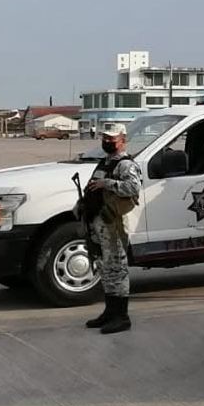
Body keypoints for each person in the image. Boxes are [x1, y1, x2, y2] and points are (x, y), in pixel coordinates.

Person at [82, 126, 142, 334]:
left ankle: (121, 316)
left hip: (113, 224)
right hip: (98, 225)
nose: (107, 141)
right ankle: (110, 311)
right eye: (105, 137)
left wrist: (106, 184)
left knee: (117, 269)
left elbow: (133, 188)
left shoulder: (125, 165)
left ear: (123, 139)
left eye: (112, 138)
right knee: (105, 269)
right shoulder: (105, 163)